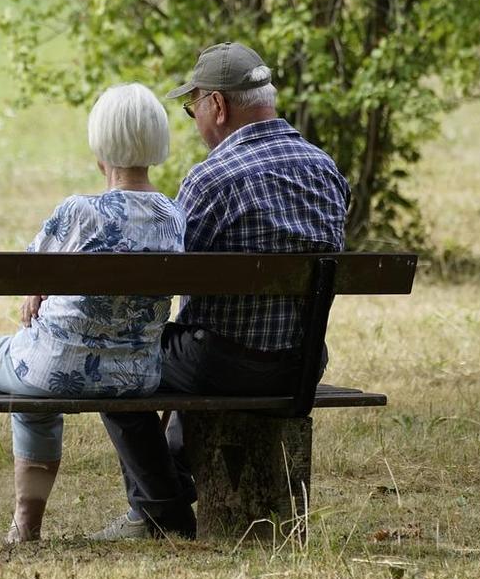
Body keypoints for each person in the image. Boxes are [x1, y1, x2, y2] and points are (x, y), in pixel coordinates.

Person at [92, 42, 351, 541]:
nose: (195, 121)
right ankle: (170, 485)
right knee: (193, 344)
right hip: (301, 363)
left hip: (223, 364)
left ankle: (160, 511)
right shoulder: (325, 169)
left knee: (113, 359)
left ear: (217, 105)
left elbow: (167, 278)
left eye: (193, 109)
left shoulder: (211, 179)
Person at [0, 83, 186, 546]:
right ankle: (25, 528)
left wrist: (37, 289)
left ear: (100, 144)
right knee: (31, 392)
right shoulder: (174, 216)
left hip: (53, 368)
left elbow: (27, 271)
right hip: (135, 376)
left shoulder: (79, 212)